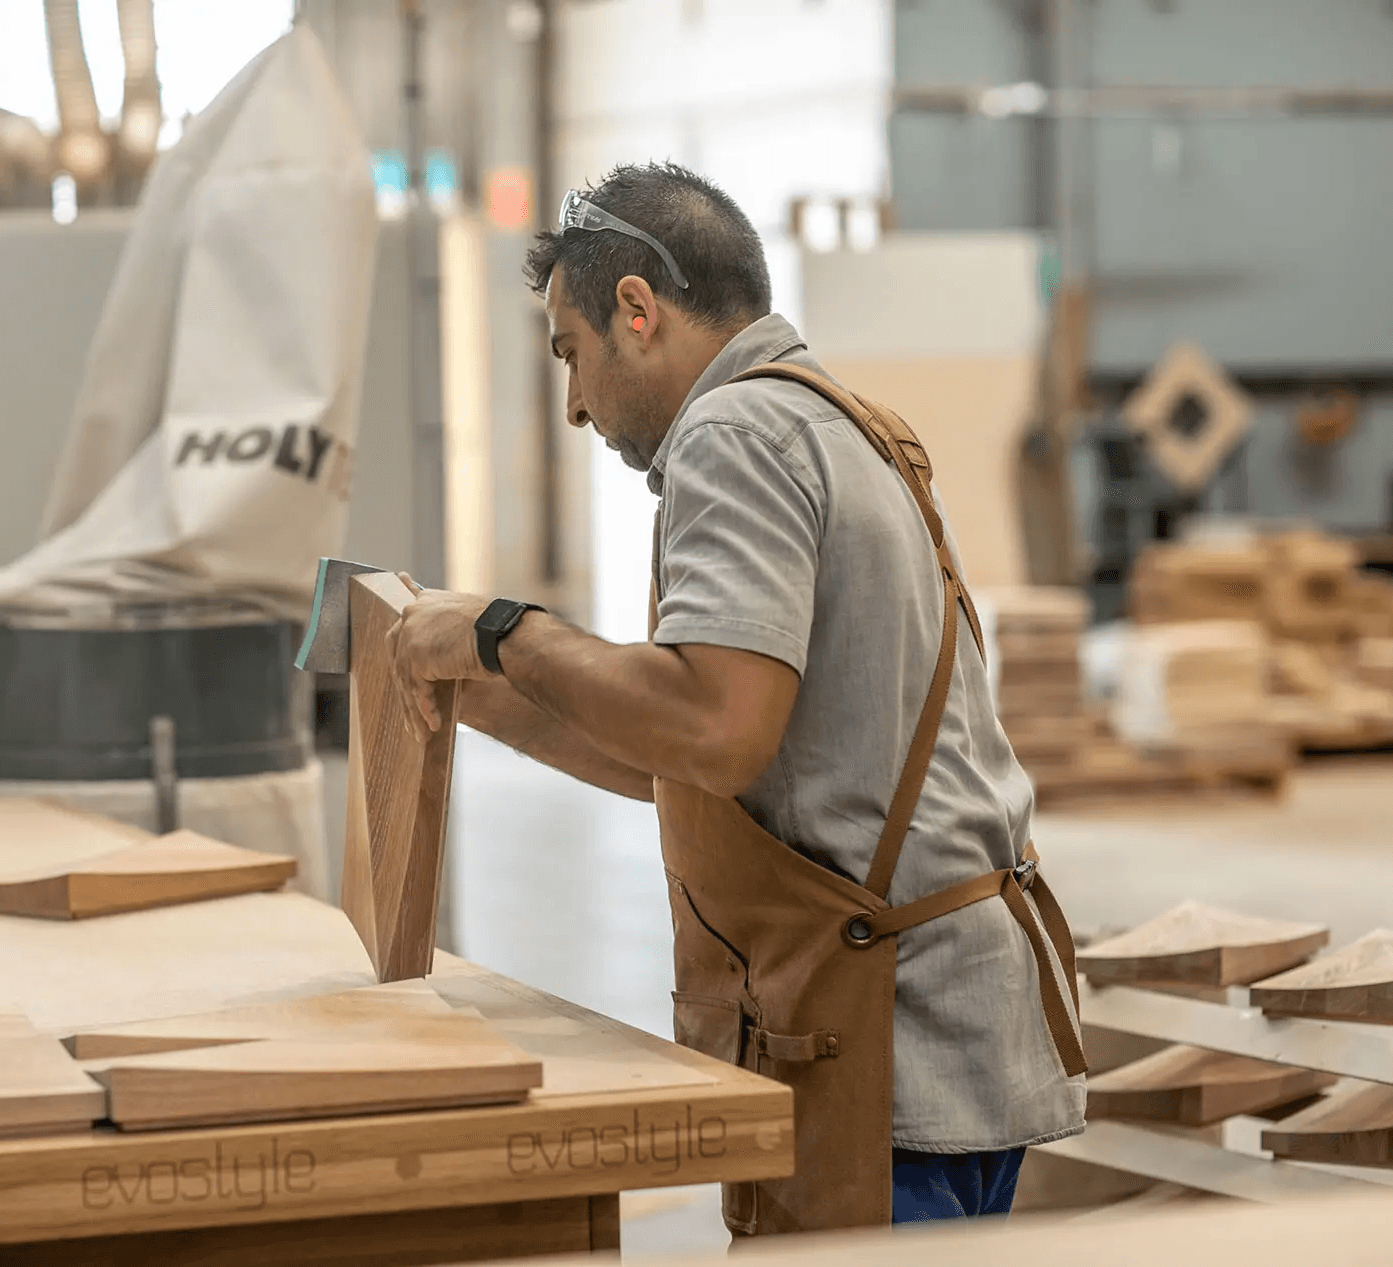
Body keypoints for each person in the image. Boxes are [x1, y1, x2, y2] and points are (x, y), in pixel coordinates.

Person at [386, 161, 1087, 1235]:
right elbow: (705, 762)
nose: (572, 403)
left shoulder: (737, 434)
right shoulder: (841, 423)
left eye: (569, 355)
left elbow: (712, 726)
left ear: (637, 310)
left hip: (883, 1045)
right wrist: (479, 695)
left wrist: (501, 631)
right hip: (952, 1034)